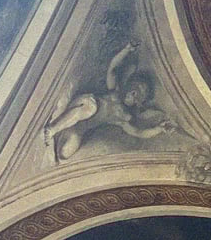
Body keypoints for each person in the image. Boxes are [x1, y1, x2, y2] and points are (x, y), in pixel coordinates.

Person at [43, 42, 174, 161]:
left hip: (80, 128)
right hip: (81, 106)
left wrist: (158, 129)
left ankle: (60, 133)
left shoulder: (123, 118)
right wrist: (127, 49)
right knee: (91, 108)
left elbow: (139, 133)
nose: (134, 93)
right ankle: (52, 129)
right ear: (129, 85)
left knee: (65, 152)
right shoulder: (115, 91)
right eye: (136, 87)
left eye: (140, 93)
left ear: (139, 102)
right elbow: (113, 67)